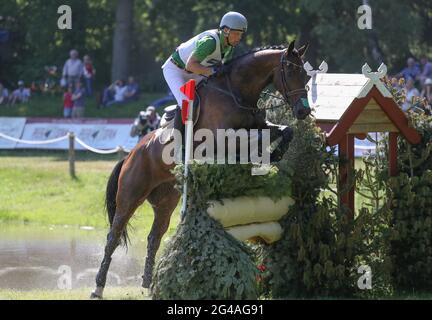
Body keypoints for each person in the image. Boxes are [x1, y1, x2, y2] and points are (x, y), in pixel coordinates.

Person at [161, 11, 247, 130]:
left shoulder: (228, 46)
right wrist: (213, 72)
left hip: (196, 72)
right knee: (187, 104)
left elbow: (217, 68)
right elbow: (190, 65)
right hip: (175, 70)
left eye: (241, 34)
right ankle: (180, 144)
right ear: (226, 30)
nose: (239, 38)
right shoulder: (210, 42)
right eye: (236, 33)